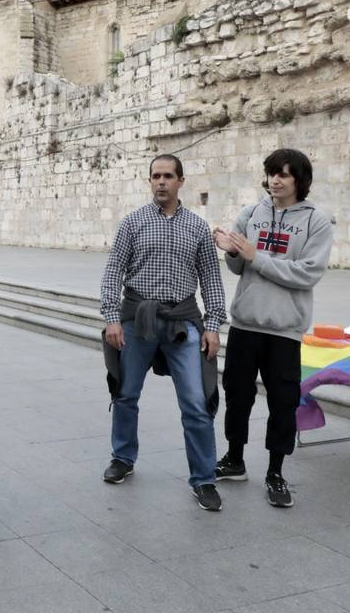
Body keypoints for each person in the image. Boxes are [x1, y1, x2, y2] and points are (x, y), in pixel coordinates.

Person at [100, 154, 228, 511]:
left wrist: (213, 325)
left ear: (180, 181)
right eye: (155, 176)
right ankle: (123, 457)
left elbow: (211, 280)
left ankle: (203, 478)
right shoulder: (133, 223)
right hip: (136, 319)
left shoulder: (197, 228)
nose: (160, 182)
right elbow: (113, 273)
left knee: (196, 402)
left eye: (168, 176)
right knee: (125, 393)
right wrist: (112, 317)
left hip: (183, 322)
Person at [213, 148, 333, 509]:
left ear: (300, 180)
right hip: (245, 323)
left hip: (284, 329)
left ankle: (275, 473)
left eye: (284, 174)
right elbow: (238, 269)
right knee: (236, 395)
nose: (275, 180)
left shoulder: (317, 221)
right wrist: (232, 252)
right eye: (271, 173)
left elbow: (308, 273)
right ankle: (234, 459)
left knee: (283, 402)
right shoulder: (250, 213)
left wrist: (255, 256)